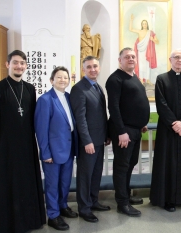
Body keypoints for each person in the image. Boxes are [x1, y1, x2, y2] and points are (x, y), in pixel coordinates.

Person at [0, 50, 46, 232]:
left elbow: (34, 120)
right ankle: (9, 223)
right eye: (15, 62)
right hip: (6, 147)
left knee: (27, 183)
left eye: (22, 63)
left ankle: (30, 221)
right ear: (8, 64)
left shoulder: (30, 89)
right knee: (9, 185)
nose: (19, 66)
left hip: (27, 146)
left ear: (26, 65)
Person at [150, 49, 181, 212]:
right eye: (176, 57)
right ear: (170, 60)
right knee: (167, 163)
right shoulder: (161, 79)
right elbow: (161, 105)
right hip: (168, 131)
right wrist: (175, 125)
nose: (179, 60)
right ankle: (168, 199)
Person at [106, 47, 150, 217]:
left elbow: (133, 102)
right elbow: (114, 108)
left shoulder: (133, 76)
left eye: (133, 56)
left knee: (130, 164)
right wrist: (121, 131)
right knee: (122, 166)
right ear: (120, 60)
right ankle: (122, 203)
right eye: (127, 57)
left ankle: (126, 194)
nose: (131, 59)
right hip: (124, 131)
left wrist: (140, 123)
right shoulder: (115, 79)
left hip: (135, 129)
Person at [34, 66, 79, 231]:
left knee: (65, 182)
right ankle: (53, 215)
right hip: (52, 152)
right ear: (51, 80)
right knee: (52, 185)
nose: (62, 80)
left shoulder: (68, 97)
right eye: (59, 77)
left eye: (65, 77)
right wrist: (45, 153)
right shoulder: (45, 100)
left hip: (68, 149)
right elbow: (41, 129)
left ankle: (62, 206)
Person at [70, 56, 110, 222]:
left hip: (100, 139)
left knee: (96, 173)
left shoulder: (98, 87)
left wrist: (107, 135)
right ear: (83, 69)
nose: (93, 69)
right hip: (89, 142)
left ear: (99, 68)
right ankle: (84, 208)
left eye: (95, 66)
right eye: (89, 67)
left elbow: (101, 115)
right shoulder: (79, 88)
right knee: (85, 176)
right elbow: (80, 118)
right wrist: (87, 141)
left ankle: (93, 201)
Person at [129, 14, 158, 83]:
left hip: (147, 51)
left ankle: (147, 79)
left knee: (146, 64)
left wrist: (152, 39)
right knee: (141, 65)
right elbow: (131, 29)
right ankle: (141, 79)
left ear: (147, 25)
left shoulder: (150, 32)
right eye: (143, 24)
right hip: (140, 50)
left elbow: (157, 41)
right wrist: (131, 20)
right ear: (141, 25)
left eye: (145, 24)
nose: (144, 25)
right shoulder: (139, 31)